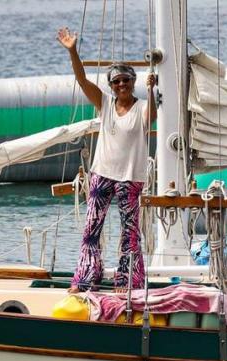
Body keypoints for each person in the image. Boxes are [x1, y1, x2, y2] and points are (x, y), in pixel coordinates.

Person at [58, 27, 156, 292]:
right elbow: (81, 80)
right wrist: (73, 51)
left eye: (125, 80)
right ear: (111, 86)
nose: (121, 85)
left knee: (130, 232)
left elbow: (152, 117)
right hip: (102, 173)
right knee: (91, 228)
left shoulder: (142, 107)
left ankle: (128, 279)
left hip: (130, 177)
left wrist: (154, 90)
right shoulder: (104, 104)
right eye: (116, 82)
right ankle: (86, 276)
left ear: (133, 82)